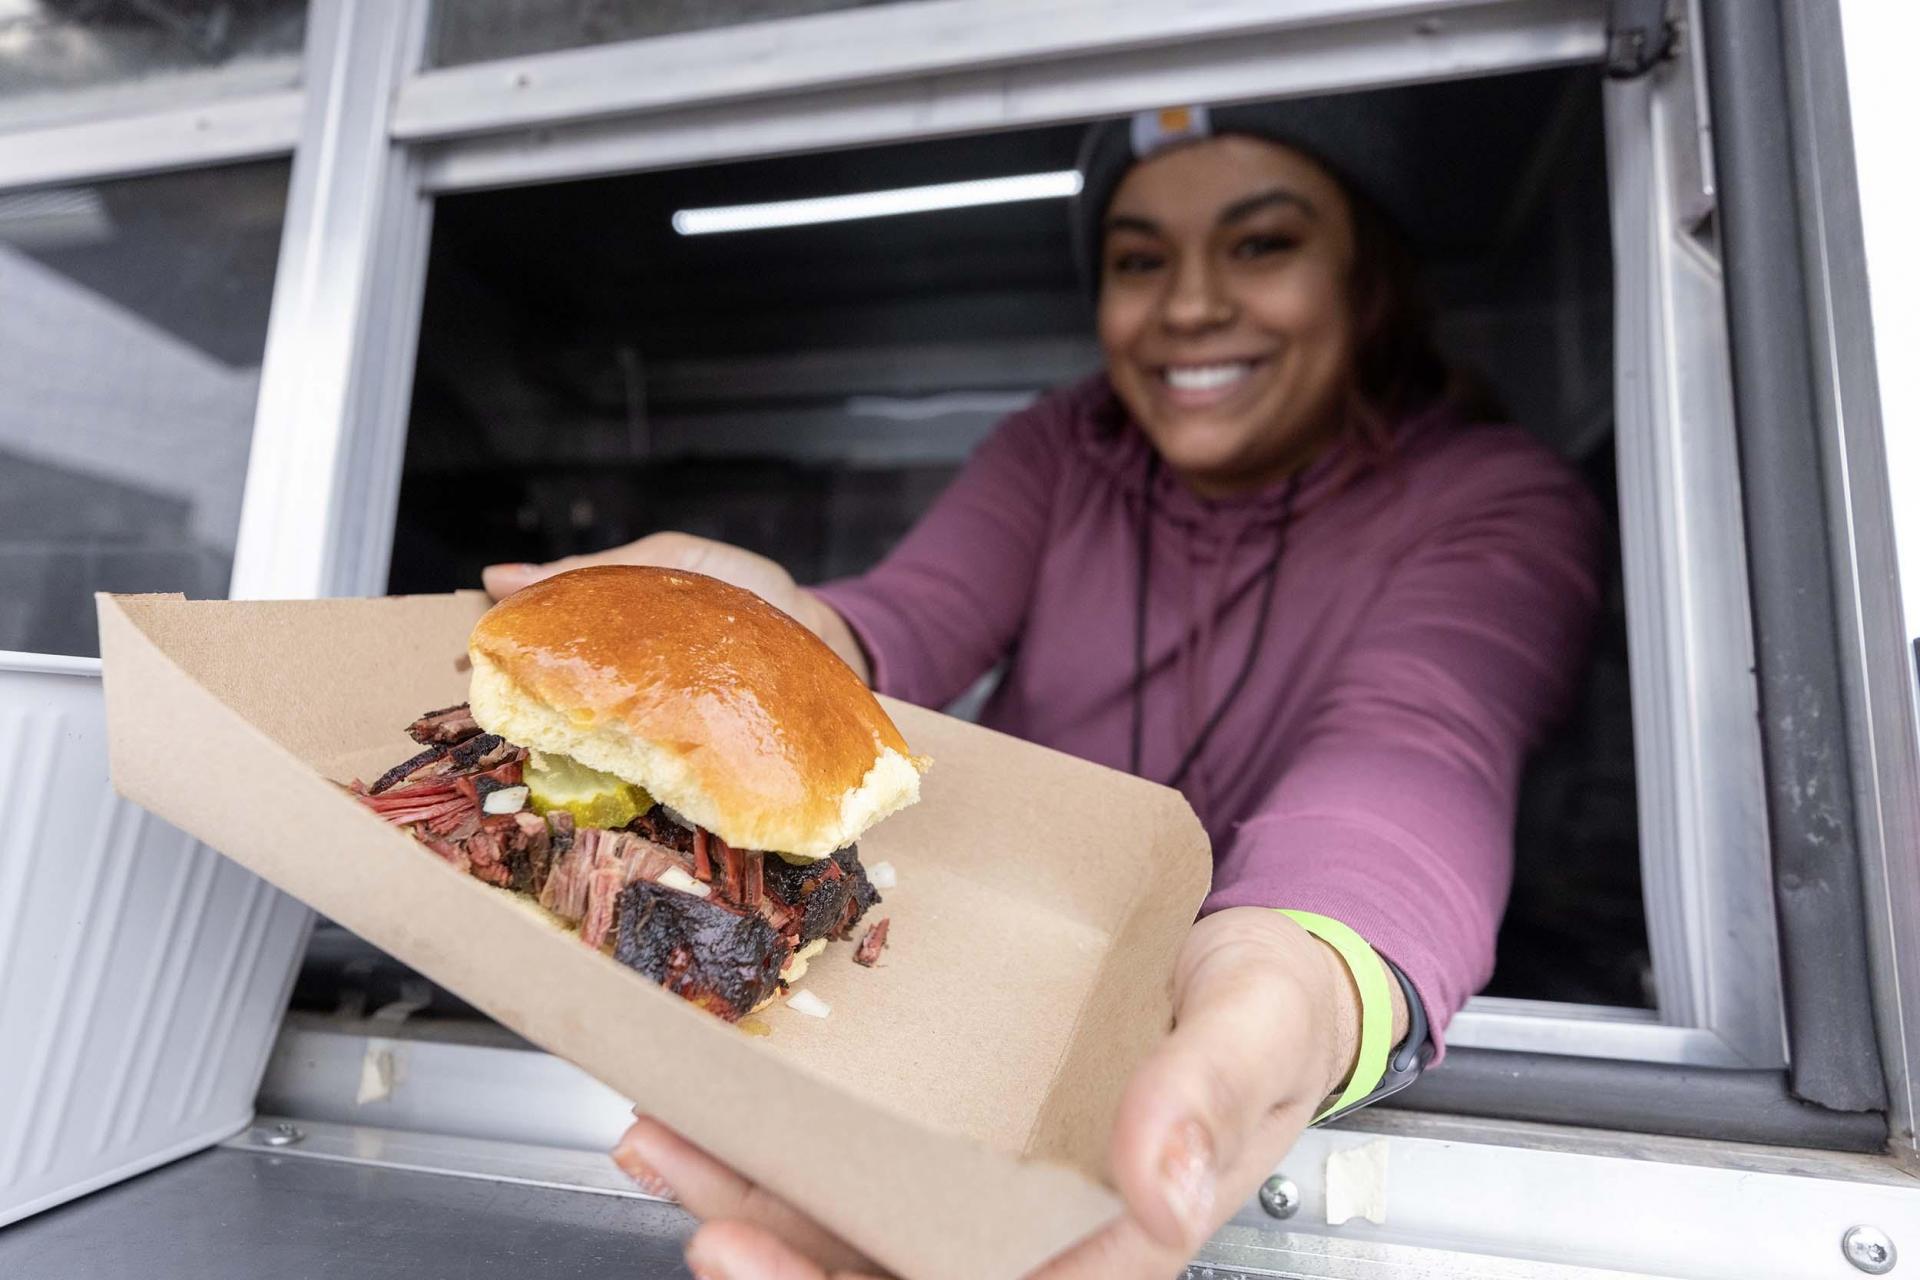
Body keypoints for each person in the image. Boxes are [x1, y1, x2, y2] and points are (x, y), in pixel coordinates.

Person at [483, 102, 1603, 1279]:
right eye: (1138, 261)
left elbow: (1415, 756)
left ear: (1369, 276)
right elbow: (904, 619)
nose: (1189, 305)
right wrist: (770, 634)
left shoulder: (1496, 498)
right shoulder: (1065, 447)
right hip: (970, 1005)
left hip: (1226, 1055)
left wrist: (1303, 983)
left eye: (1262, 243)